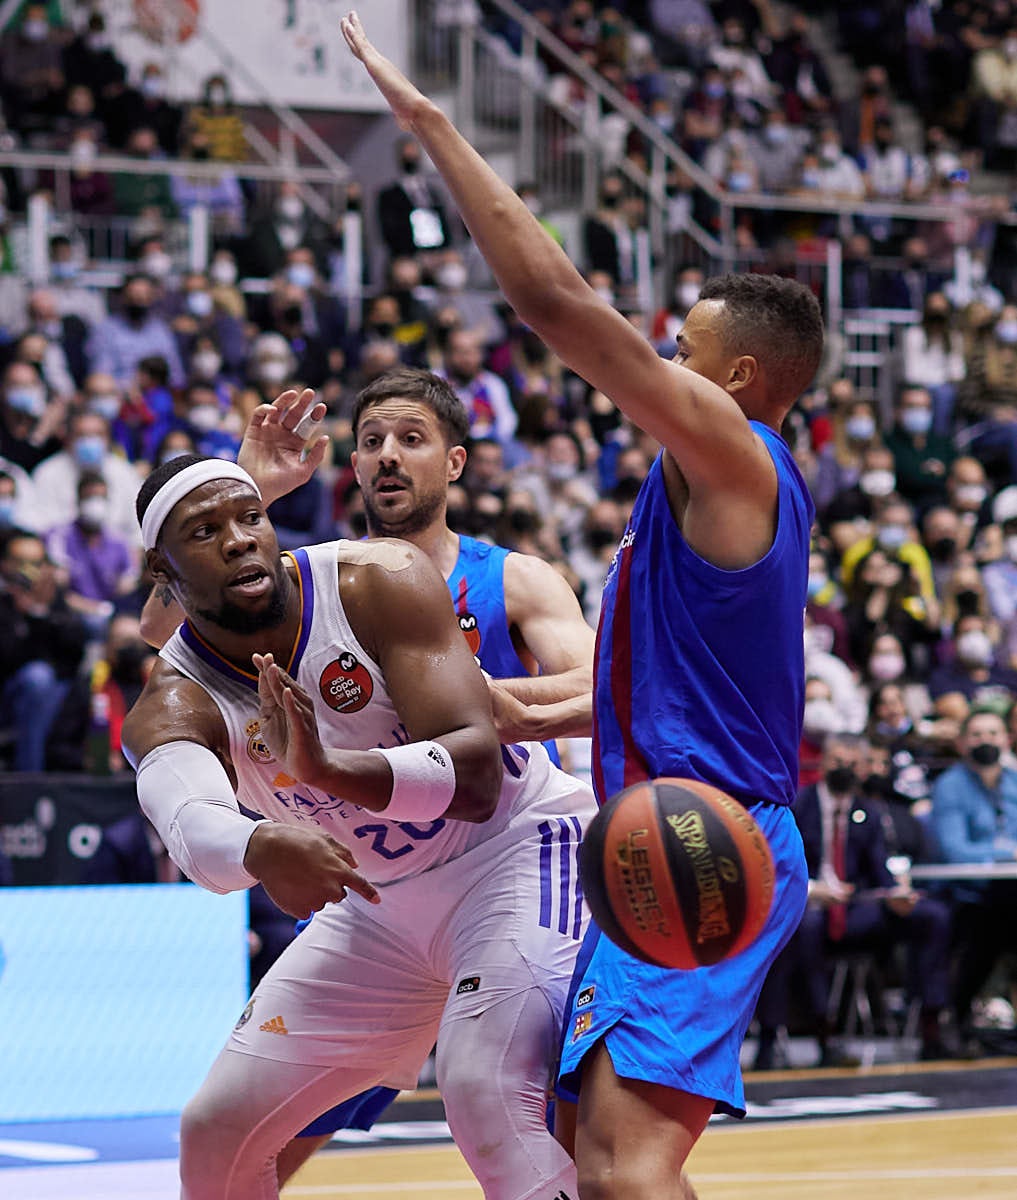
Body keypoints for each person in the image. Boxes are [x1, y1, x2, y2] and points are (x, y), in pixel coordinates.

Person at [340, 14, 825, 1197]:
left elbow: (556, 306)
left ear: (739, 378)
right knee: (588, 1155)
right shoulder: (685, 494)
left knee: (621, 1164)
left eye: (682, 344)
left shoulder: (738, 450)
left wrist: (432, 127)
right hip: (657, 822)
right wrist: (500, 710)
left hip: (710, 833)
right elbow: (639, 690)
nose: (660, 355)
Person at [139, 373, 598, 1181]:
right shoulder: (172, 699)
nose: (242, 539)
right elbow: (190, 826)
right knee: (215, 1130)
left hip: (515, 854)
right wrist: (259, 845)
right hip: (378, 903)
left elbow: (476, 775)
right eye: (207, 531)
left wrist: (325, 768)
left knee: (484, 1087)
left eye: (250, 516)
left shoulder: (378, 577)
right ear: (163, 572)